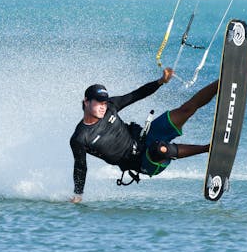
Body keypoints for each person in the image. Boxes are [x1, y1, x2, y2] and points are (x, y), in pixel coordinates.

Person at [69, 68, 217, 203]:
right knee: (160, 149)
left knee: (185, 110)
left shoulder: (110, 107)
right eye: (98, 102)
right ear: (86, 102)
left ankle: (221, 83)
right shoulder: (80, 138)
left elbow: (136, 94)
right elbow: (80, 167)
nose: (103, 106)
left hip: (146, 136)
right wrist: (78, 195)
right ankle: (208, 148)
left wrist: (161, 81)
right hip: (143, 161)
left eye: (105, 102)